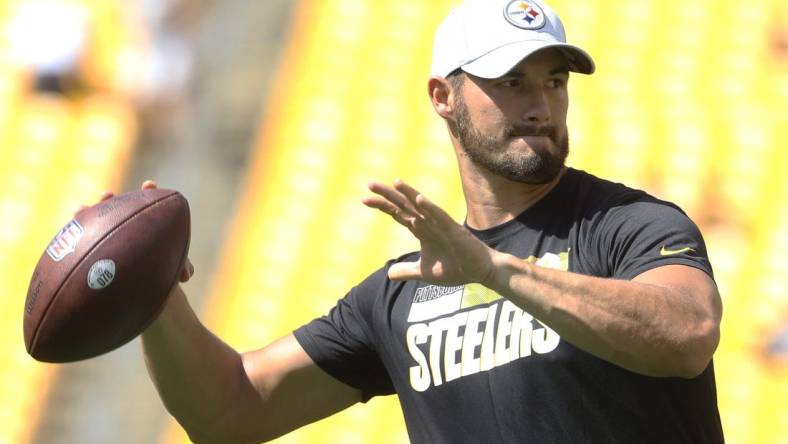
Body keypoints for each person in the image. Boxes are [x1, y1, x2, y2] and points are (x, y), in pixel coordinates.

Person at [127, 0, 725, 442]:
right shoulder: (403, 293)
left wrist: (494, 271)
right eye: (511, 83)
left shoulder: (631, 225)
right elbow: (228, 412)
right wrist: (152, 291)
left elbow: (687, 336)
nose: (540, 105)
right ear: (444, 95)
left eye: (554, 82)